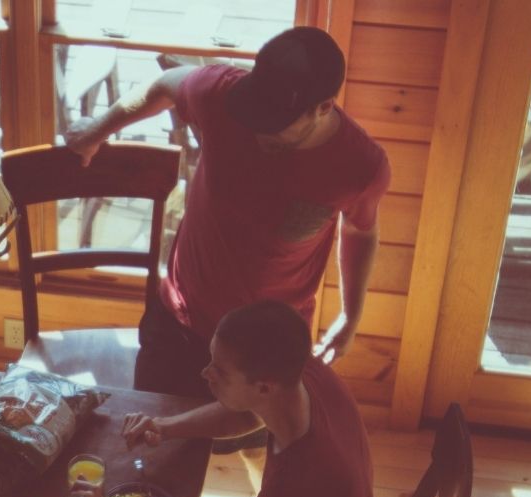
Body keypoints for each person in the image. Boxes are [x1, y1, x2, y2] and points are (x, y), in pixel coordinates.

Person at [62, 26, 390, 397]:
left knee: (250, 433)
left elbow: (360, 230)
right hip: (179, 322)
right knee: (150, 423)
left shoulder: (360, 166)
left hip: (267, 346)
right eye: (254, 115)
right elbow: (166, 85)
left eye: (273, 124)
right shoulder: (220, 93)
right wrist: (97, 130)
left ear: (323, 107)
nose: (258, 131)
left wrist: (350, 316)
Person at [74, 300, 378, 497]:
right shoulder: (302, 374)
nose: (205, 373)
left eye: (220, 371)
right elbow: (247, 413)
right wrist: (164, 427)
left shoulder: (294, 489)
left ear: (264, 387)